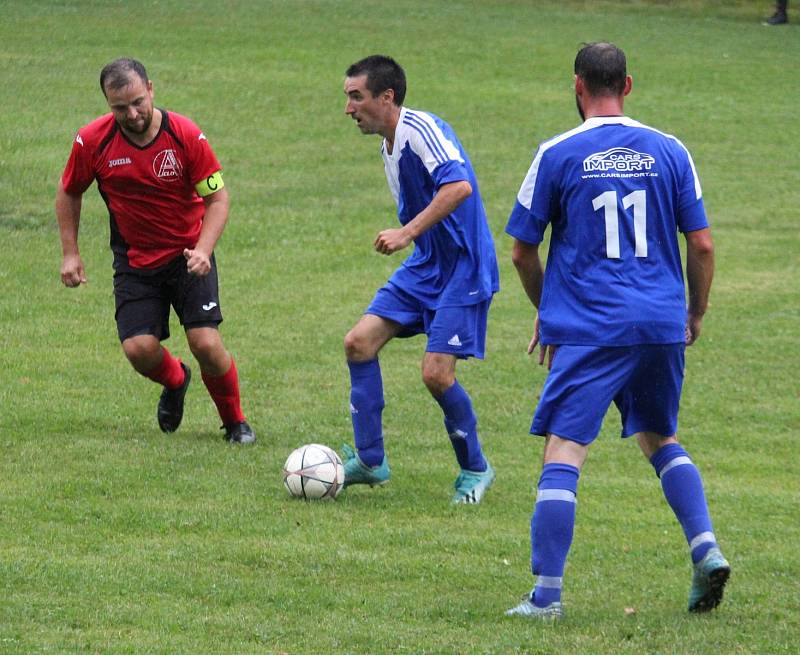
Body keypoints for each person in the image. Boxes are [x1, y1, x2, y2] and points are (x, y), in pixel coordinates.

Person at [504, 42, 729, 619]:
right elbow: (700, 243)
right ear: (626, 85)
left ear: (577, 87)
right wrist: (694, 312)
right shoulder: (670, 149)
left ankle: (546, 597)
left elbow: (522, 253)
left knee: (564, 450)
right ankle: (706, 551)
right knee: (660, 438)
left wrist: (549, 310)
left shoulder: (557, 153)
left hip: (589, 326)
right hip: (658, 322)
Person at [56, 58, 255, 444]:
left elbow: (217, 198)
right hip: (135, 261)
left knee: (206, 343)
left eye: (136, 102)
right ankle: (176, 380)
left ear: (150, 88)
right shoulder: (92, 141)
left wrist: (203, 249)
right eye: (119, 108)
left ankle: (236, 424)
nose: (131, 114)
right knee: (139, 350)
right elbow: (69, 191)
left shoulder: (185, 135)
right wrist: (70, 252)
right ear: (107, 104)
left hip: (189, 256)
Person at [341, 55, 500, 504]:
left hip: (464, 266)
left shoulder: (421, 129)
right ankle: (371, 461)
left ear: (386, 97)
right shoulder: (387, 146)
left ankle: (476, 468)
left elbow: (459, 186)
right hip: (427, 265)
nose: (349, 109)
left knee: (435, 374)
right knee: (359, 343)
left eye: (357, 97)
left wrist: (406, 232)